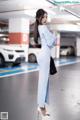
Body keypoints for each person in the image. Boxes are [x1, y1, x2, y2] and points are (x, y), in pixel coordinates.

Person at [34, 9, 56, 119]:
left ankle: (42, 105)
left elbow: (49, 42)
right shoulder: (43, 27)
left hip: (44, 55)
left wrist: (52, 38)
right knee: (43, 83)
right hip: (45, 56)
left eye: (46, 17)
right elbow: (51, 41)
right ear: (39, 18)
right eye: (43, 17)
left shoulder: (40, 28)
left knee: (44, 82)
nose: (45, 19)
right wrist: (54, 36)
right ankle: (41, 107)